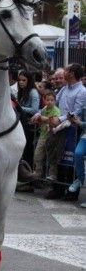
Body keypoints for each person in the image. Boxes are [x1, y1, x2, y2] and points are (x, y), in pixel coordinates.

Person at [45, 63, 86, 199]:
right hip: (59, 128)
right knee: (59, 158)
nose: (64, 73)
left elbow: (77, 111)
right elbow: (55, 104)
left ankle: (72, 192)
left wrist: (60, 119)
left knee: (70, 160)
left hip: (72, 129)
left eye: (67, 70)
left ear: (72, 74)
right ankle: (58, 188)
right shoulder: (64, 89)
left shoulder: (82, 91)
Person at [31, 90, 61, 180]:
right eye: (48, 100)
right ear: (44, 100)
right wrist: (37, 117)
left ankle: (52, 174)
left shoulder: (56, 110)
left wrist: (44, 119)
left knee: (51, 156)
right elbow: (39, 116)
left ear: (55, 101)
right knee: (37, 154)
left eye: (52, 100)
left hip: (52, 136)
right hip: (43, 135)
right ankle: (38, 172)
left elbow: (55, 121)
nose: (50, 102)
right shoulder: (44, 109)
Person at [17, 71, 40, 168]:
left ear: (29, 81)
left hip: (29, 124)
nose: (21, 82)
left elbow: (34, 110)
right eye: (19, 80)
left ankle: (28, 169)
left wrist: (19, 107)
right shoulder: (22, 91)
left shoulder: (33, 92)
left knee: (28, 147)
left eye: (24, 80)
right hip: (22, 122)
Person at [68, 109, 86, 204]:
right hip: (85, 137)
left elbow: (81, 123)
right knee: (78, 153)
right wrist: (74, 120)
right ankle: (80, 179)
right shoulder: (84, 108)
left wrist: (79, 122)